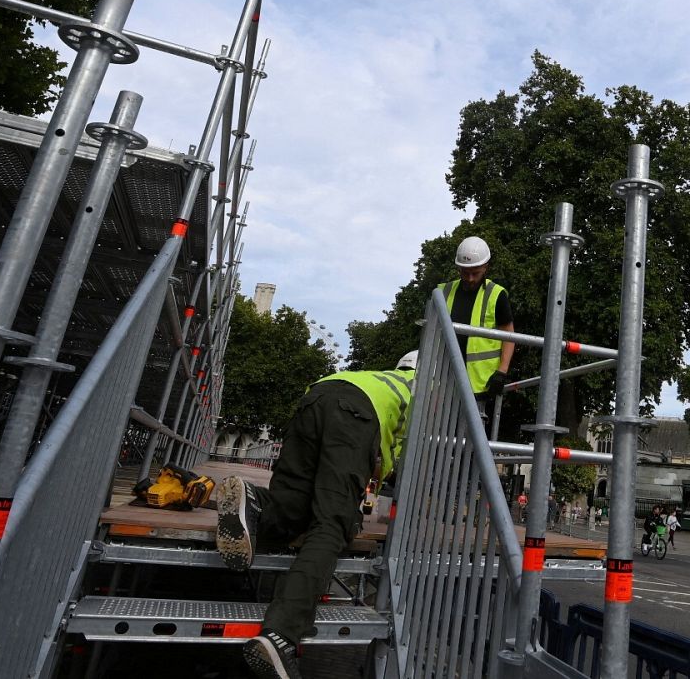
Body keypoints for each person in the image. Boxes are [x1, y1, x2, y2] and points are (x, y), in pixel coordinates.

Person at [217, 352, 417, 679]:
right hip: (353, 418)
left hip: (316, 397)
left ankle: (255, 502)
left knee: (293, 505)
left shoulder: (380, 378)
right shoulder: (424, 393)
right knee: (331, 525)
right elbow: (405, 459)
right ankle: (281, 633)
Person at [442, 236, 516, 417]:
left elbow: (509, 334)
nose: (470, 278)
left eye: (475, 272)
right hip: (444, 382)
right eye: (465, 272)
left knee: (471, 439)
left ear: (485, 267)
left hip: (480, 384)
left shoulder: (496, 294)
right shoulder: (443, 292)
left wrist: (502, 371)